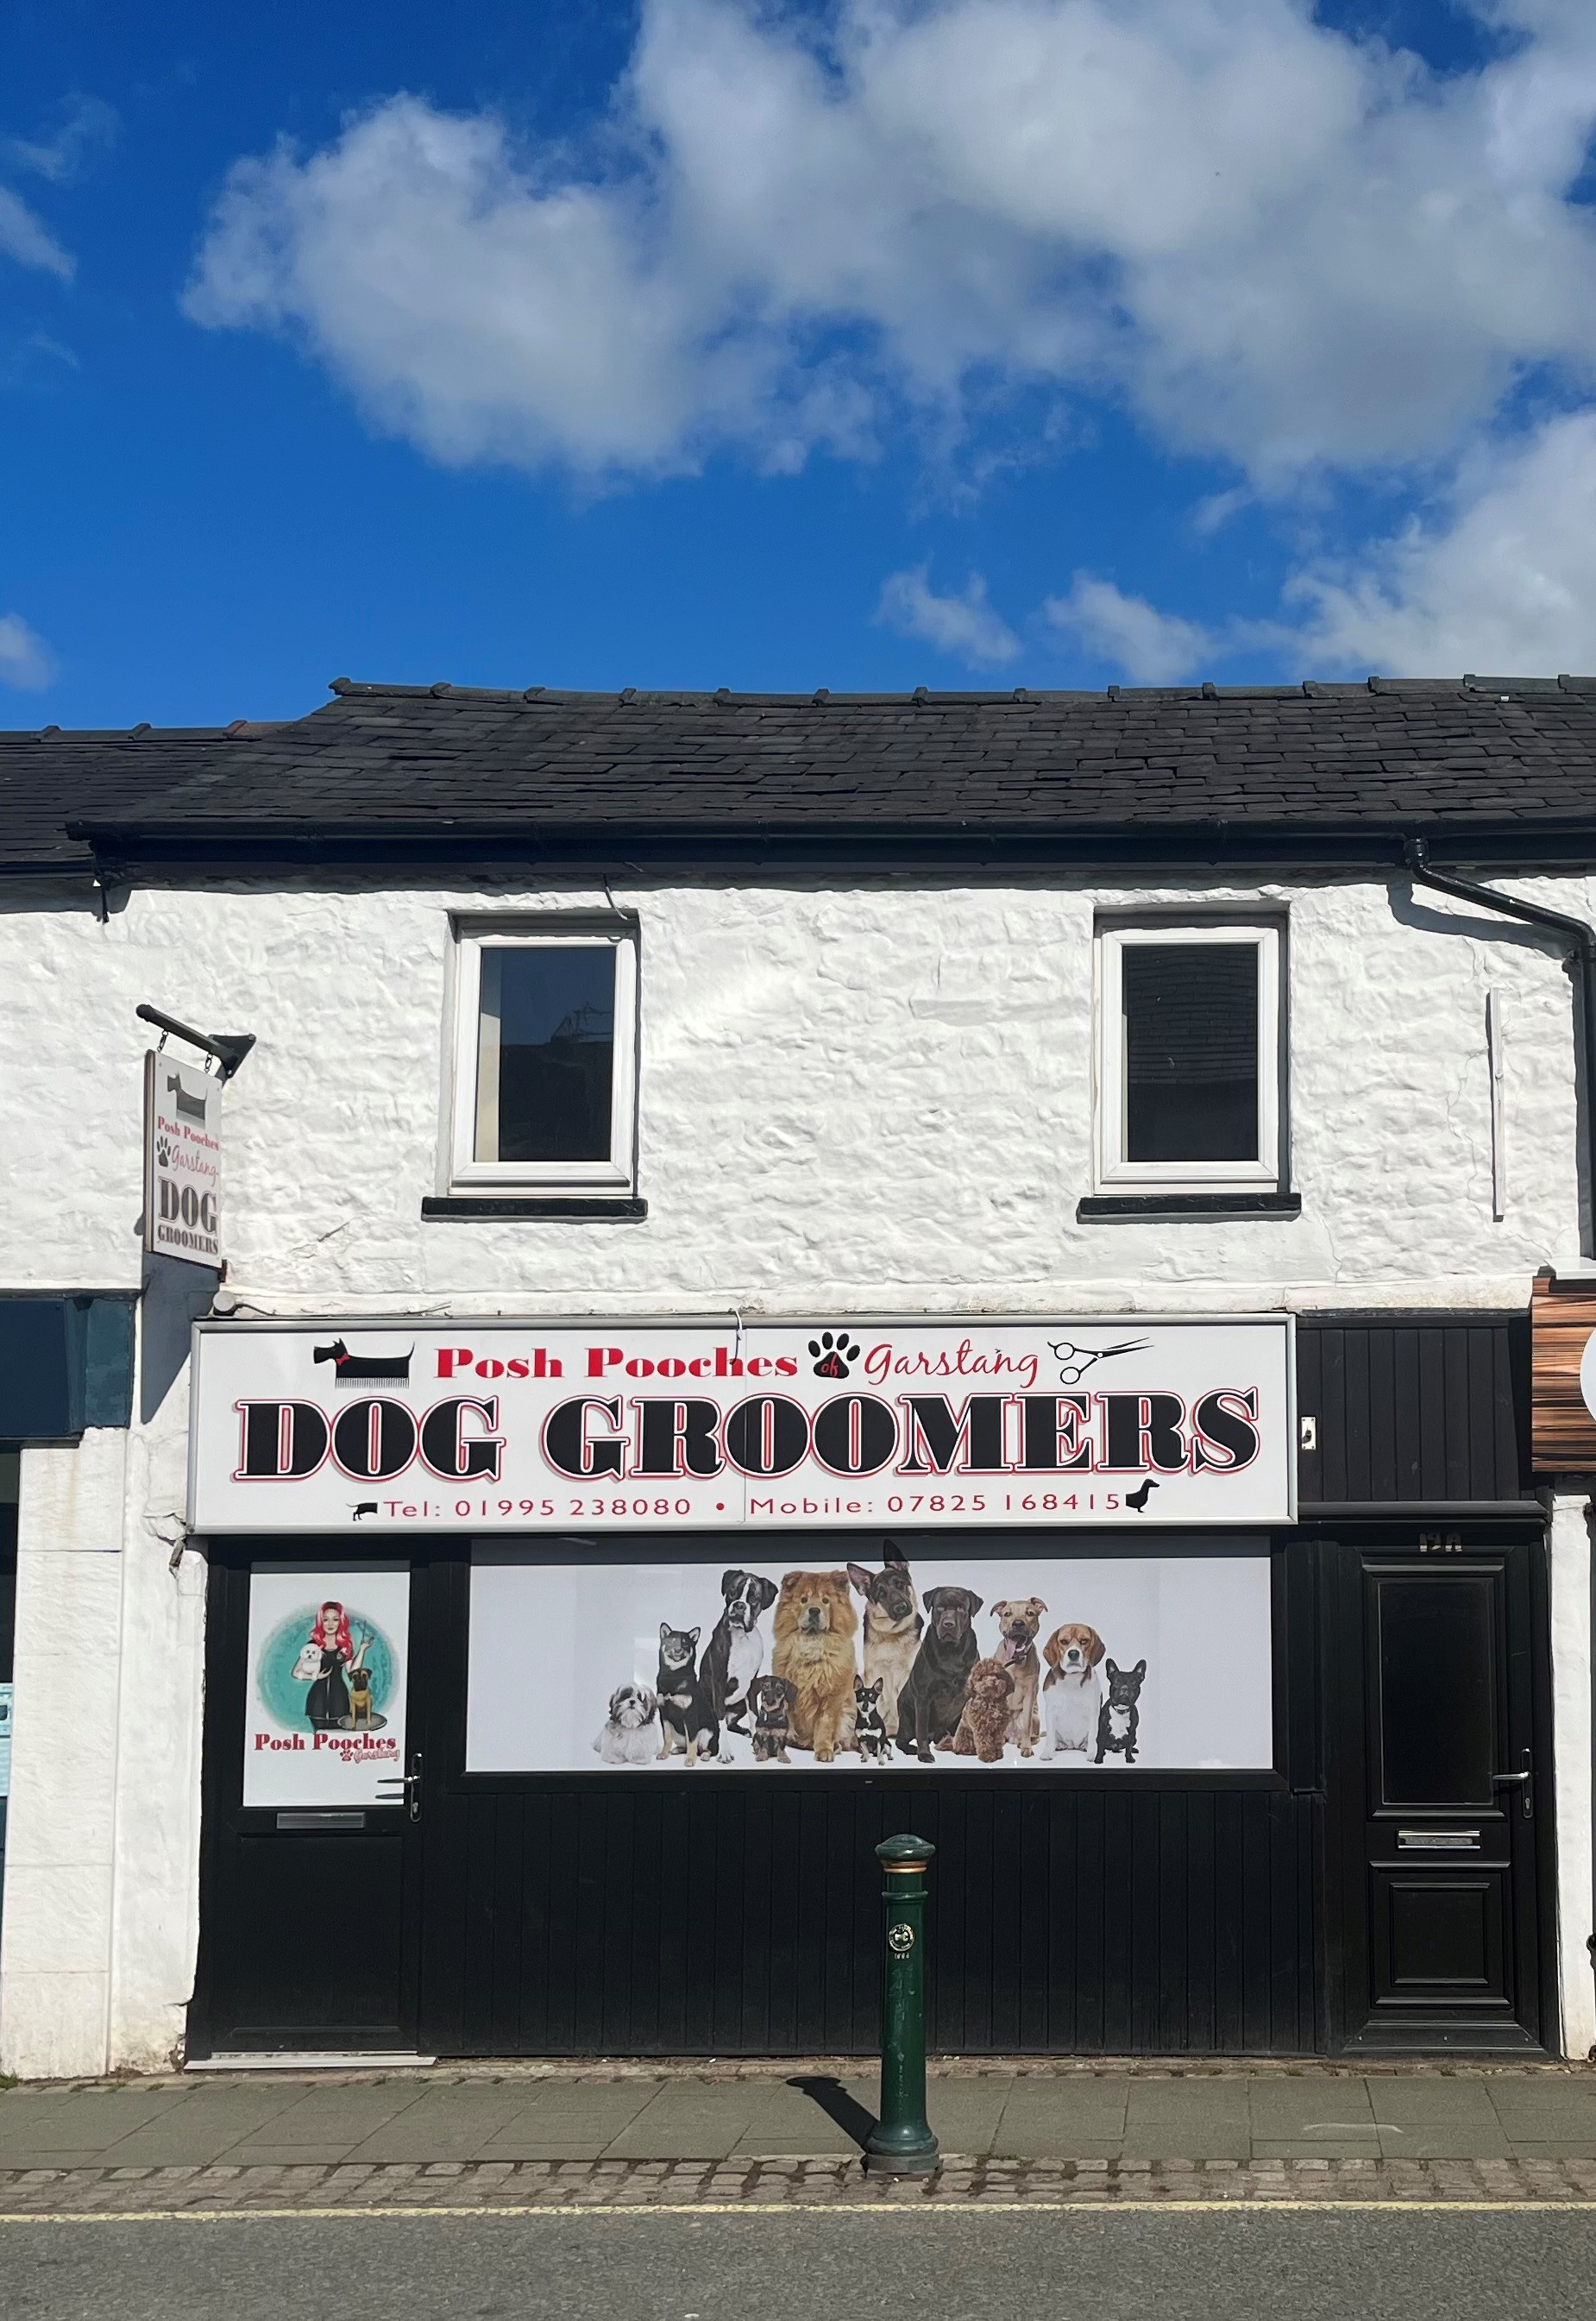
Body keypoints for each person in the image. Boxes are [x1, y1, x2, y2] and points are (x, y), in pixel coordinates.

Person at [300, 1599, 355, 1730]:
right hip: (317, 1700)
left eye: (335, 1619)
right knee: (318, 1740)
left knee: (339, 1739)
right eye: (326, 1620)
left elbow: (352, 1673)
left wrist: (363, 1650)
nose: (330, 1624)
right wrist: (315, 1677)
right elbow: (296, 1672)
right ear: (320, 1622)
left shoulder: (345, 1646)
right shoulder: (313, 1645)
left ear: (341, 1622)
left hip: (340, 1698)